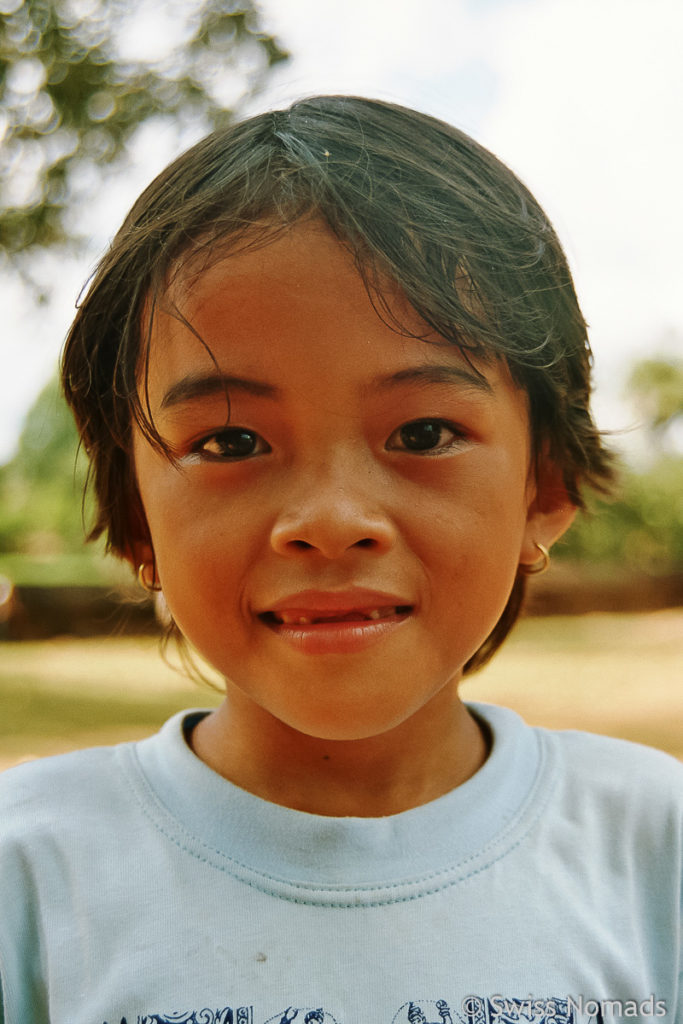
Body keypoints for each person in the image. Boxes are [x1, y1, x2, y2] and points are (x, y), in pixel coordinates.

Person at [0, 96, 680, 1024]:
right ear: (135, 522)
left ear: (545, 486)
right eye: (230, 444)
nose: (329, 521)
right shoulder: (31, 874)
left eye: (425, 431)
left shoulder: (655, 846)